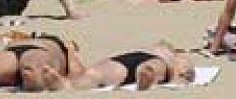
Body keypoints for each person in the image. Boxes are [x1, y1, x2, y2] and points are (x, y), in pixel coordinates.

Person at [40, 43, 193, 91]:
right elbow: (186, 71)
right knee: (94, 74)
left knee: (94, 74)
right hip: (148, 60)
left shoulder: (170, 54)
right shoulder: (171, 55)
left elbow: (186, 72)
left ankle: (67, 85)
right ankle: (146, 75)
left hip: (127, 58)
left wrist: (180, 76)